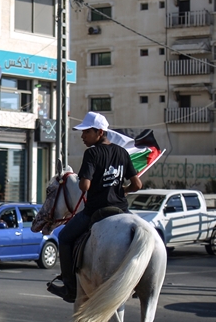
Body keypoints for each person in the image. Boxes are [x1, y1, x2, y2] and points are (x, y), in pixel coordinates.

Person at [46, 111, 143, 304]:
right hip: (122, 210)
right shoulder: (121, 152)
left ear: (99, 132)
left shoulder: (92, 153)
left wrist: (83, 179)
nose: (82, 136)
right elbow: (137, 185)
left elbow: (85, 186)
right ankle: (139, 282)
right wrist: (121, 191)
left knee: (64, 237)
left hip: (97, 210)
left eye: (86, 132)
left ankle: (70, 286)